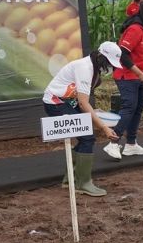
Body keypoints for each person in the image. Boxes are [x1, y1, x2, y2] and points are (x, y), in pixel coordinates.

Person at [42, 41, 121, 196]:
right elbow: (84, 103)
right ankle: (83, 183)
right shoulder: (85, 68)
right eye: (109, 63)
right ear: (101, 56)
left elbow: (82, 101)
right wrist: (104, 127)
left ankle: (70, 180)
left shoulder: (94, 69)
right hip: (55, 102)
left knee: (86, 136)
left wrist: (94, 113)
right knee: (87, 137)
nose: (110, 68)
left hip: (68, 101)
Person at [103, 1, 143, 160]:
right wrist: (139, 73)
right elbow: (122, 54)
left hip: (138, 77)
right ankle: (113, 142)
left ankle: (131, 144)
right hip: (126, 76)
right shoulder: (135, 30)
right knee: (129, 106)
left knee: (139, 107)